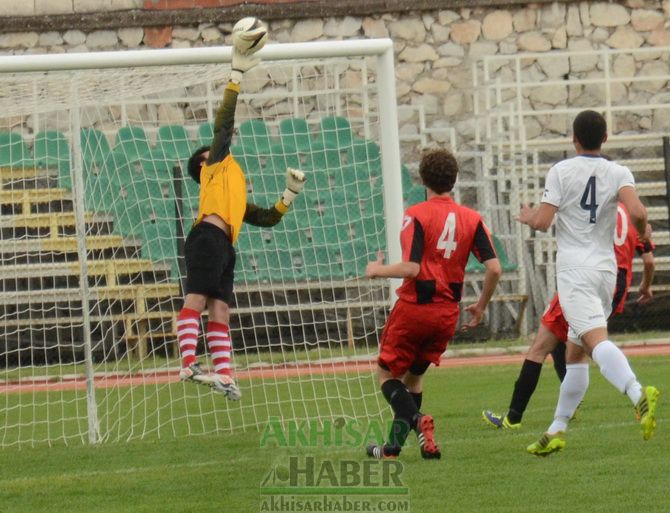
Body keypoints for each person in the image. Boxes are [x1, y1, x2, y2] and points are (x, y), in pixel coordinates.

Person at [516, 110, 659, 456]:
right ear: (605, 138)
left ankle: (638, 393)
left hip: (574, 271)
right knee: (575, 352)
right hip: (606, 272)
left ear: (574, 139)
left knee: (594, 344)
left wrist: (530, 216)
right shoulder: (618, 171)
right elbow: (638, 214)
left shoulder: (561, 171)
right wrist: (642, 233)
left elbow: (544, 222)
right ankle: (557, 428)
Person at [176, 42, 306, 400]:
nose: (216, 149)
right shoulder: (213, 168)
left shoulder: (231, 183)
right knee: (198, 299)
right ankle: (187, 361)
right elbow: (224, 127)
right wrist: (235, 76)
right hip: (207, 237)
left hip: (224, 244)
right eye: (209, 151)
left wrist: (288, 196)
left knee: (221, 309)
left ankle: (225, 375)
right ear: (203, 165)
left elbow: (265, 218)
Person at [365, 149, 502, 459]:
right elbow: (494, 268)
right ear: (453, 181)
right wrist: (480, 305)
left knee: (386, 376)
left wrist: (376, 271)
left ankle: (418, 421)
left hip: (414, 310)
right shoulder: (472, 218)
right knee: (414, 378)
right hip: (446, 315)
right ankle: (393, 449)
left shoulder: (417, 214)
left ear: (422, 179)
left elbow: (411, 269)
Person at [483, 203, 655, 429]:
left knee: (542, 347)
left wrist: (533, 218)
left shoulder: (595, 206)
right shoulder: (633, 213)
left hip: (585, 279)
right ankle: (567, 412)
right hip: (616, 284)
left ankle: (512, 418)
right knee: (570, 346)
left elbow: (557, 221)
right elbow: (649, 260)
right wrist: (645, 286)